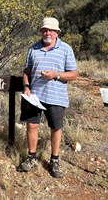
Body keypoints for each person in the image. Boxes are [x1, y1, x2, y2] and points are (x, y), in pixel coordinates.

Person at [19, 17, 77, 178]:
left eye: (51, 30)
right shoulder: (33, 49)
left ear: (57, 32)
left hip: (56, 96)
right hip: (34, 96)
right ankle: (31, 157)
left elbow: (73, 74)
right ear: (41, 31)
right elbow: (26, 71)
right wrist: (26, 87)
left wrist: (56, 74)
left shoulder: (66, 49)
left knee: (56, 128)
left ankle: (54, 160)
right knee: (32, 126)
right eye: (45, 30)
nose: (47, 32)